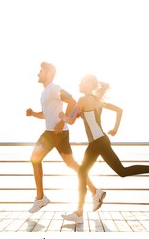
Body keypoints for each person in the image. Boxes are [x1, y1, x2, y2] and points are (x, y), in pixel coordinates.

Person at [59, 74, 149, 223]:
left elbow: (70, 120)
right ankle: (81, 211)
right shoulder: (97, 101)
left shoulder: (82, 100)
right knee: (82, 172)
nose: (78, 85)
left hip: (99, 142)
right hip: (97, 142)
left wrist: (62, 115)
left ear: (88, 85)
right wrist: (115, 128)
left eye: (81, 83)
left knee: (122, 171)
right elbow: (119, 110)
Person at [26, 62, 106, 213]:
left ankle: (40, 197)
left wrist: (62, 122)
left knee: (34, 158)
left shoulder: (54, 89)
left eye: (41, 71)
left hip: (53, 133)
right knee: (72, 164)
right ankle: (95, 191)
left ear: (49, 73)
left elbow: (73, 101)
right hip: (59, 133)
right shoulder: (45, 92)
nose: (38, 74)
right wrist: (33, 114)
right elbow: (46, 115)